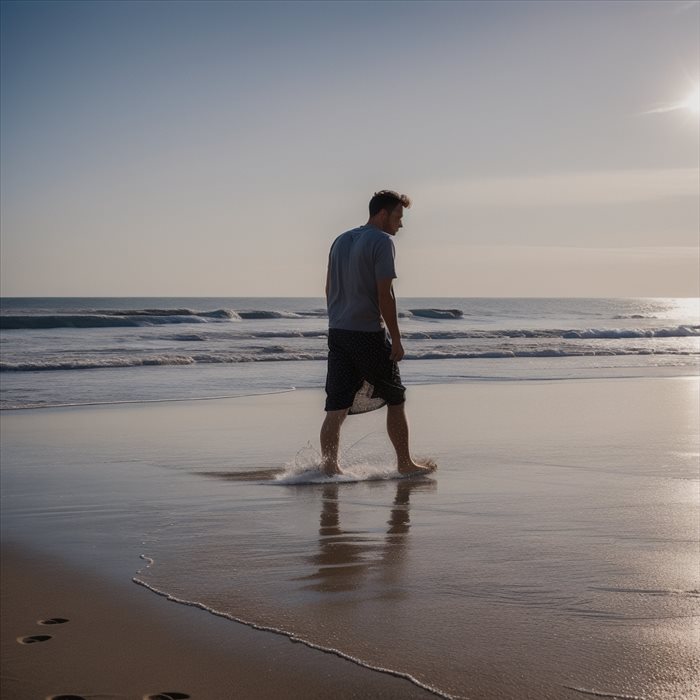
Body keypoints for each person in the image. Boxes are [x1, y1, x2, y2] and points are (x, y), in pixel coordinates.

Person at [320, 190, 437, 477]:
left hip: (338, 332)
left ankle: (329, 468)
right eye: (398, 217)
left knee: (336, 406)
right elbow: (385, 295)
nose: (400, 224)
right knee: (396, 398)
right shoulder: (382, 242)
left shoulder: (340, 240)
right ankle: (405, 464)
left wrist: (338, 318)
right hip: (367, 334)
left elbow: (328, 288)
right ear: (382, 214)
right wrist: (396, 339)